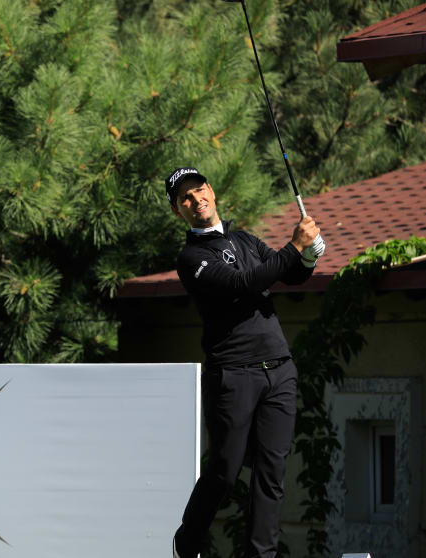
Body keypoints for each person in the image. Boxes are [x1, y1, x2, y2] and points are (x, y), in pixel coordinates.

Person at [165, 167, 324, 558]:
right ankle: (187, 541)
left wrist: (308, 256)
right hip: (233, 374)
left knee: (271, 476)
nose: (196, 199)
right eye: (185, 198)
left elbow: (289, 275)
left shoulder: (245, 240)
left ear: (212, 192)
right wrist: (293, 247)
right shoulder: (192, 258)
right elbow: (242, 285)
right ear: (178, 211)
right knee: (225, 471)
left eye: (199, 190)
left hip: (279, 370)